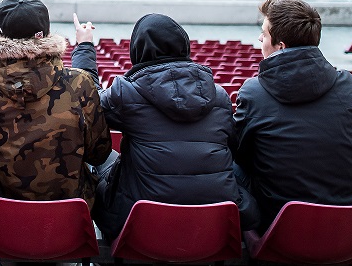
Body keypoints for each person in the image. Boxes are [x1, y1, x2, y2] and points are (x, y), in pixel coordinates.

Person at [94, 14, 259, 239]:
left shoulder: (125, 93)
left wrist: (85, 47)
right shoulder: (219, 96)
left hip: (142, 221)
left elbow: (88, 106)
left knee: (98, 160)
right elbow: (234, 150)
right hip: (213, 219)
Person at [233, 0, 352, 232]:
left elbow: (241, 154)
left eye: (264, 34)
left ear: (281, 46)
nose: (259, 38)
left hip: (285, 227)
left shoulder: (254, 92)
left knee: (222, 165)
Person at [0, 0, 111, 206]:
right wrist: (85, 47)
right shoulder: (80, 83)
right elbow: (99, 154)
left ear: (1, 36)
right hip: (67, 216)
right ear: (45, 33)